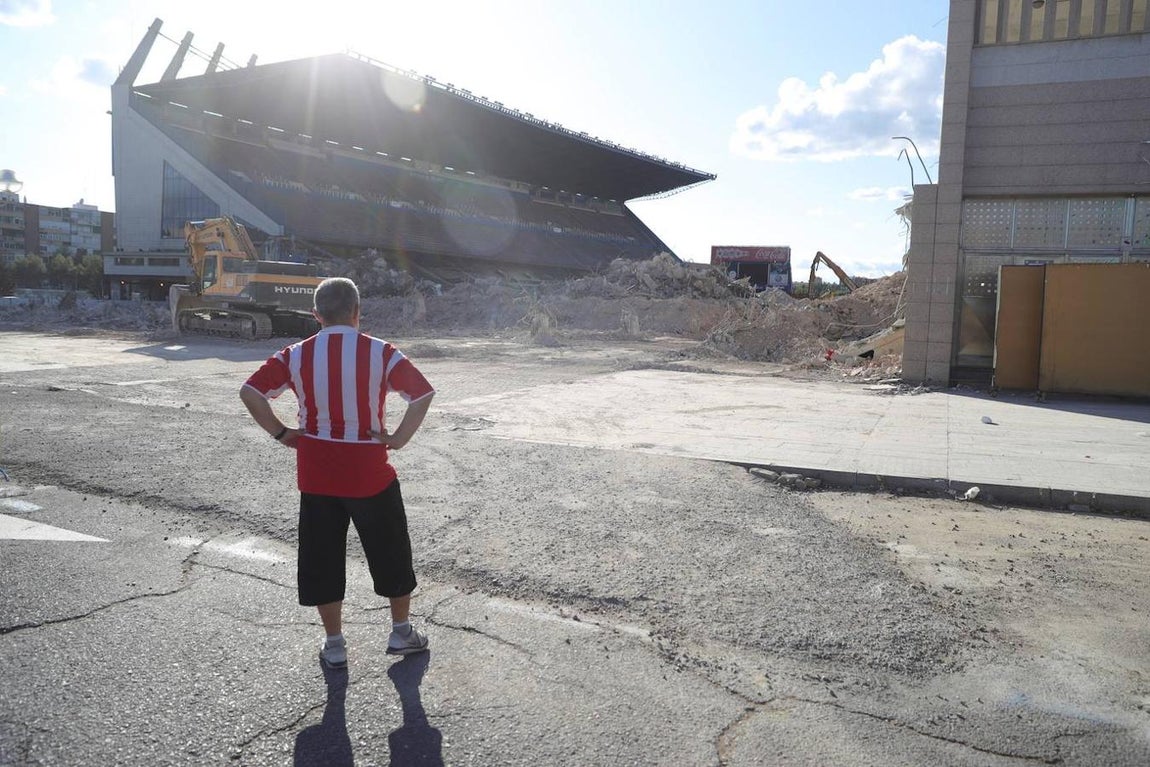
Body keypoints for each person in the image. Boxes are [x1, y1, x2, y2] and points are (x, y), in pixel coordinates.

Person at [240, 277, 435, 669]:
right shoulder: (381, 353)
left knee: (321, 556)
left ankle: (334, 644)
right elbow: (423, 394)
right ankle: (401, 632)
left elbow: (251, 392)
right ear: (357, 312)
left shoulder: (296, 354)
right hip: (369, 473)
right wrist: (397, 439)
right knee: (391, 550)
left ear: (316, 315)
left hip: (316, 474)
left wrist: (281, 433)